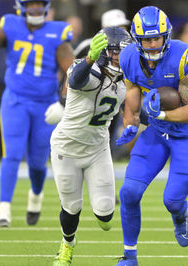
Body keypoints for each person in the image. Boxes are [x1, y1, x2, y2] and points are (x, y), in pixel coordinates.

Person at [115, 6, 188, 265]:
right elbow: (133, 89)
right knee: (129, 192)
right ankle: (129, 256)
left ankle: (180, 215)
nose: (153, 43)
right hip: (157, 130)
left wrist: (160, 116)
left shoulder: (183, 56)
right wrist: (130, 122)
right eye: (147, 39)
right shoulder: (128, 57)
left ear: (166, 35)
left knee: (172, 200)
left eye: (157, 37)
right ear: (137, 40)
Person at [0, 0, 74, 227]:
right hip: (15, 100)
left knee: (37, 162)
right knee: (12, 153)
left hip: (44, 104)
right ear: (21, 7)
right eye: (31, 5)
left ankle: (36, 196)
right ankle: (3, 208)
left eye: (39, 5)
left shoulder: (57, 32)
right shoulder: (11, 25)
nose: (35, 9)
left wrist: (64, 102)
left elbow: (72, 71)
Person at [50, 26, 132, 266]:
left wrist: (150, 117)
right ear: (103, 51)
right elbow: (75, 80)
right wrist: (89, 58)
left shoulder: (126, 80)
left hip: (97, 149)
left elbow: (136, 109)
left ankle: (79, 233)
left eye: (123, 53)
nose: (118, 57)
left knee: (106, 217)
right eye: (115, 52)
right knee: (72, 208)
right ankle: (67, 246)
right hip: (67, 148)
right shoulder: (88, 69)